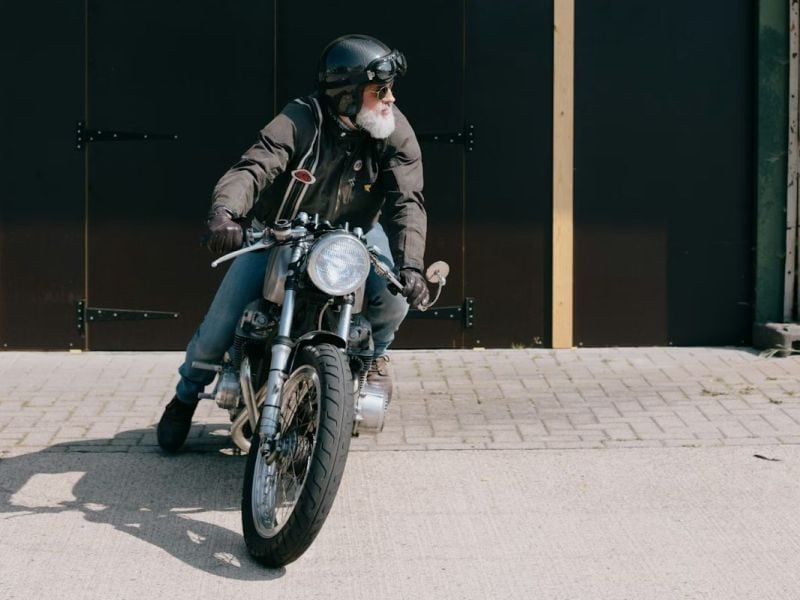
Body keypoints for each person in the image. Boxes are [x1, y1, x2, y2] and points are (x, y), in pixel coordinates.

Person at [157, 34, 429, 451]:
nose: (391, 99)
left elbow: (407, 200)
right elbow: (255, 165)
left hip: (354, 235)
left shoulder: (393, 130)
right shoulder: (301, 120)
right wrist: (224, 213)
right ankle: (185, 396)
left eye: (390, 89)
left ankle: (374, 354)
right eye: (381, 90)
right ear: (348, 93)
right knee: (219, 324)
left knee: (395, 299)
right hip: (282, 230)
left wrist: (411, 264)